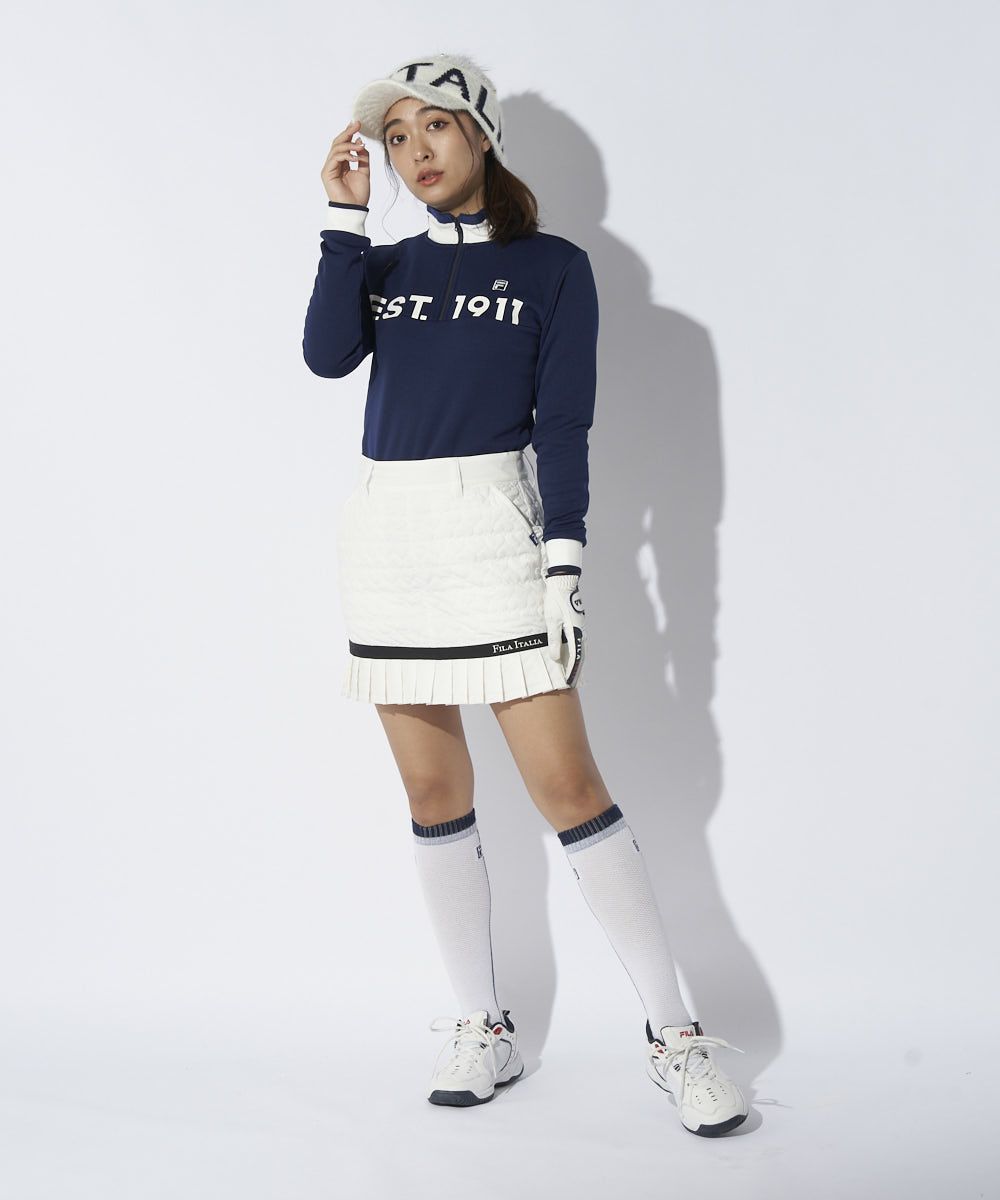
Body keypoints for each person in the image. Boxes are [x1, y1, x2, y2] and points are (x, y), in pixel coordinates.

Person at [302, 53, 749, 1136]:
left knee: (568, 787)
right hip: (392, 536)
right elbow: (324, 357)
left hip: (496, 530)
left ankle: (676, 1035)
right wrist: (343, 221)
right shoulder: (383, 264)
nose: (414, 151)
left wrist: (563, 563)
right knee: (431, 793)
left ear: (481, 134)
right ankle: (481, 1023)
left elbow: (565, 427)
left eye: (434, 127)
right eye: (396, 137)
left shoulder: (554, 268)